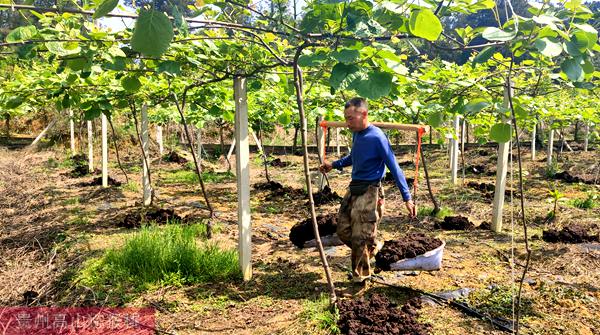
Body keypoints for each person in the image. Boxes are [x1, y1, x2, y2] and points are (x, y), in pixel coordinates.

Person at [319, 97, 416, 283]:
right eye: (345, 118)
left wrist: (407, 198)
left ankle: (360, 280)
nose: (347, 123)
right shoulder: (357, 134)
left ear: (364, 114)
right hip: (354, 187)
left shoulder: (378, 137)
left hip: (370, 191)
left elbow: (394, 167)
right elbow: (354, 157)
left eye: (350, 118)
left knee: (359, 237)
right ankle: (373, 246)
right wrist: (334, 164)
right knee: (343, 230)